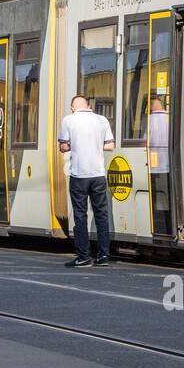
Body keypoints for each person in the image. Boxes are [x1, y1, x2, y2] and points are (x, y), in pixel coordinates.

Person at [58, 95, 116, 267]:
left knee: (80, 216)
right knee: (101, 215)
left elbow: (63, 146)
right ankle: (104, 255)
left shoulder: (68, 120)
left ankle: (83, 257)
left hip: (79, 176)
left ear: (72, 108)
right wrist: (95, 145)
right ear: (89, 106)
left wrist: (74, 145)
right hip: (98, 175)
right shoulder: (102, 120)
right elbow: (110, 145)